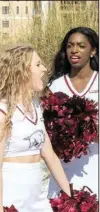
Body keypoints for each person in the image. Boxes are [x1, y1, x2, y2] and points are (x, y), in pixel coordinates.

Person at [0, 45, 71, 212]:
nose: (44, 68)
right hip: (11, 196)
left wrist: (70, 196)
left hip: (37, 195)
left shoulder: (36, 106)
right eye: (38, 64)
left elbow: (49, 155)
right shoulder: (2, 112)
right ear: (22, 72)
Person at [46, 27, 99, 197]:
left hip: (94, 167)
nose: (74, 50)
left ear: (93, 51)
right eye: (70, 46)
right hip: (63, 170)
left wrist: (86, 128)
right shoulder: (55, 87)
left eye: (81, 46)